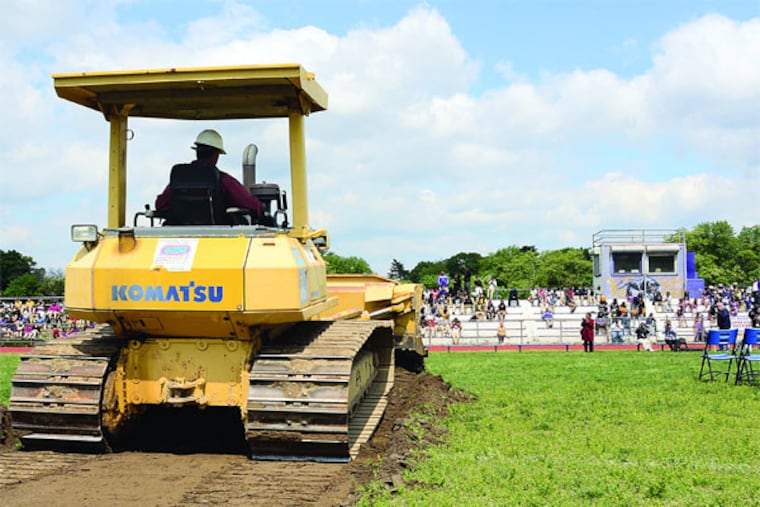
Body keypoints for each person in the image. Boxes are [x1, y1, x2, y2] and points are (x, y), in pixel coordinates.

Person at [155, 129, 262, 222]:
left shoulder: (179, 178)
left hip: (178, 239)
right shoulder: (224, 180)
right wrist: (262, 210)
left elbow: (160, 205)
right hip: (218, 240)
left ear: (197, 152)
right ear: (216, 155)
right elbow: (251, 205)